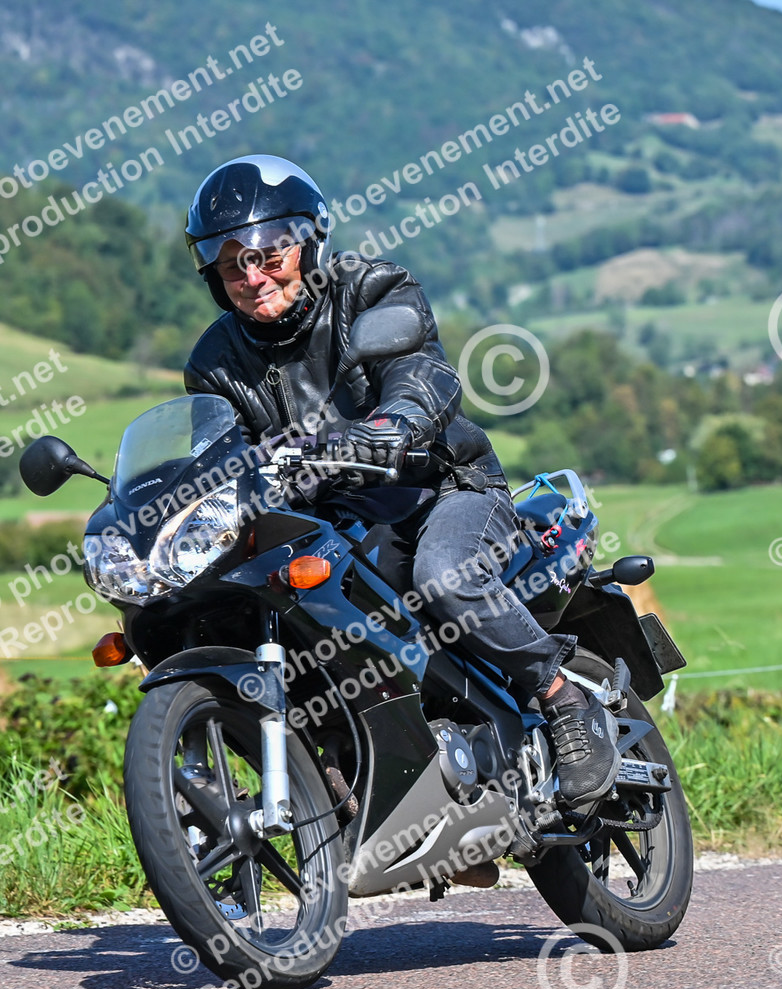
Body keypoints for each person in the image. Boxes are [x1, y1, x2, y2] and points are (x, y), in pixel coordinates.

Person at [181, 154, 616, 806]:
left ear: (307, 244)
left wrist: (390, 427)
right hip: (323, 524)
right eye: (230, 264)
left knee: (445, 574)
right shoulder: (214, 362)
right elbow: (217, 455)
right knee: (255, 608)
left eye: (268, 255)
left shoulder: (373, 290)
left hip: (438, 489)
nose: (252, 276)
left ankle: (563, 699)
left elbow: (422, 378)